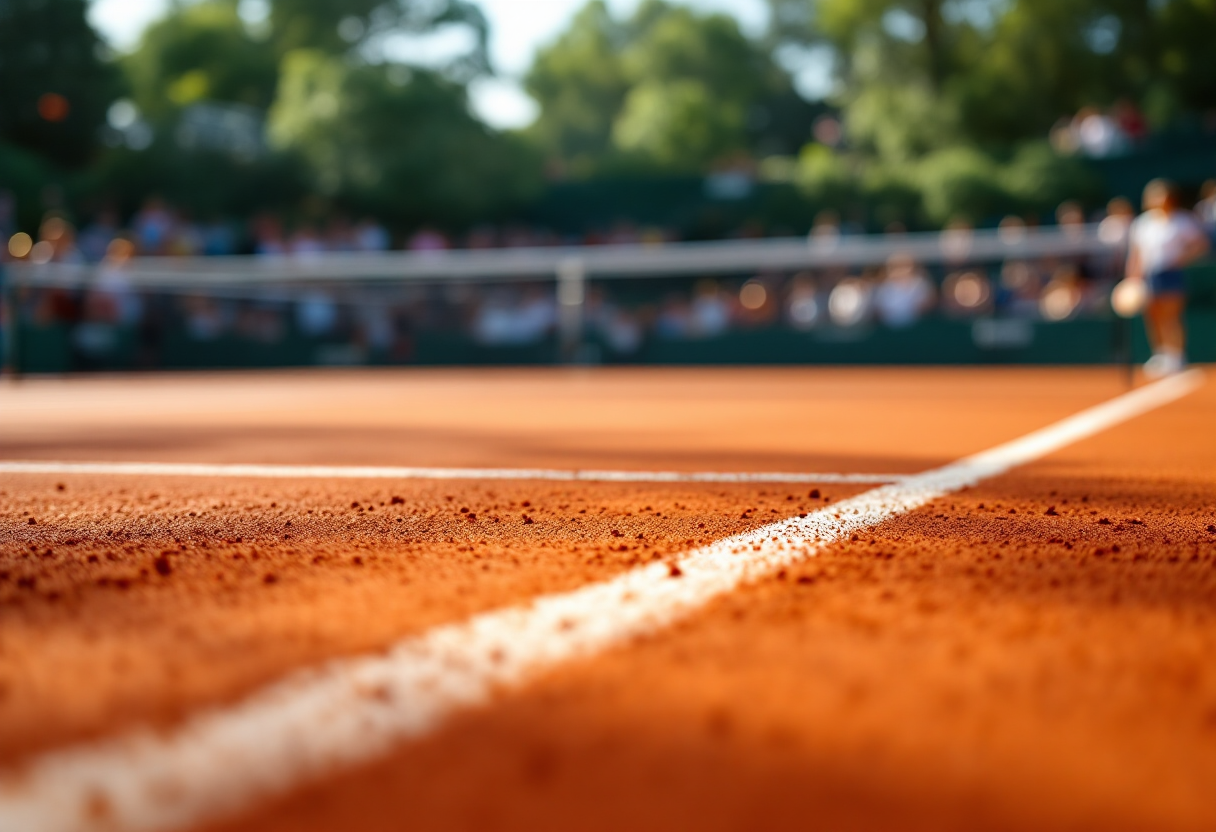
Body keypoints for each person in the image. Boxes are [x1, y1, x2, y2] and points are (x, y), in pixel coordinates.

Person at [1125, 179, 1210, 377]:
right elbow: (1136, 253)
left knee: (1171, 315)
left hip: (1172, 273)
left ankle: (1176, 355)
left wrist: (1181, 258)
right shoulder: (1142, 223)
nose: (1158, 200)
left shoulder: (1182, 220)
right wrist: (1133, 277)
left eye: (1162, 195)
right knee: (1153, 315)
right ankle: (1161, 354)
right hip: (1148, 275)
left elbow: (1201, 245)